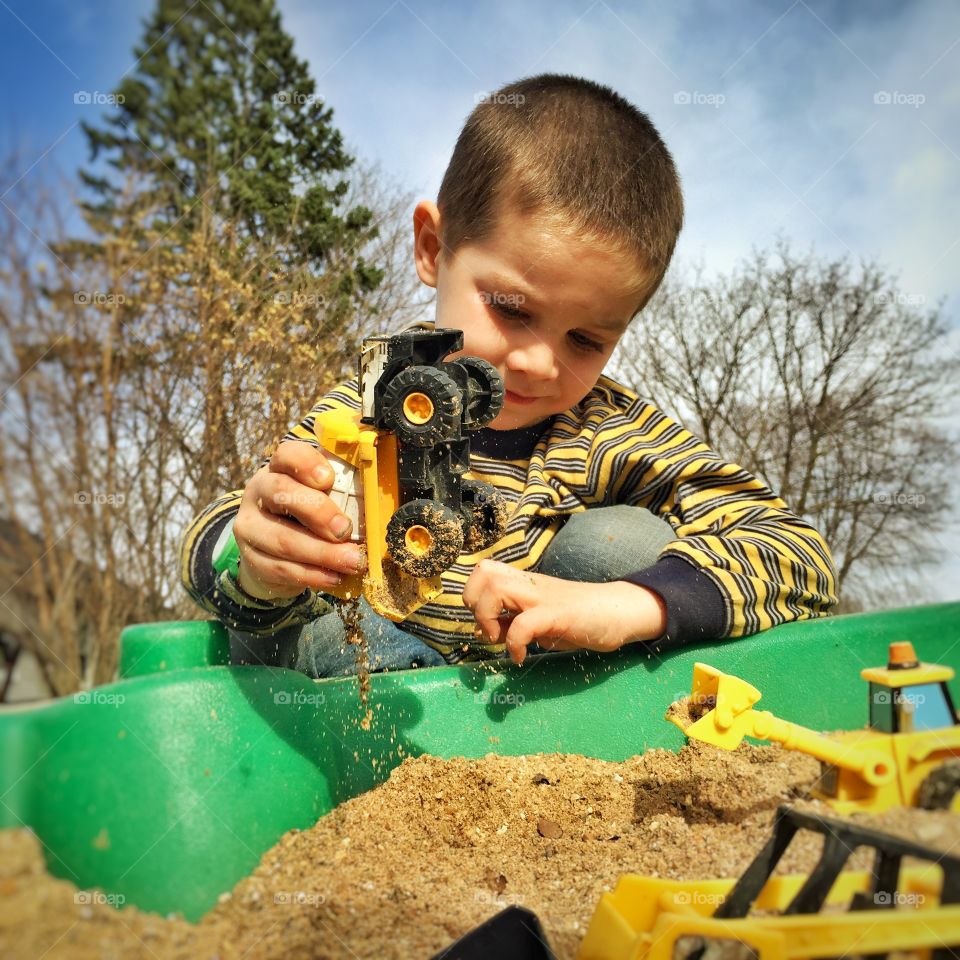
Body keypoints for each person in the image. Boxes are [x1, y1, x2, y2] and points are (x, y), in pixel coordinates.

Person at [178, 73, 838, 678]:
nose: (538, 362)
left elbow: (797, 556)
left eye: (586, 338)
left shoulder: (604, 427)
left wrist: (625, 604)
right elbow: (214, 537)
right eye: (511, 309)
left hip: (539, 726)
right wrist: (260, 558)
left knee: (622, 543)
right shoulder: (374, 407)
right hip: (375, 708)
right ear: (434, 250)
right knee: (325, 633)